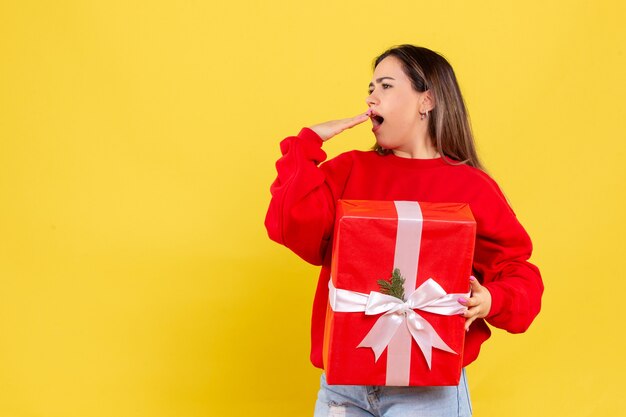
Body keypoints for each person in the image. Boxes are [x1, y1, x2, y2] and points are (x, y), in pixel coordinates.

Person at [265, 45, 543, 417]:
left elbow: (519, 271)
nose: (371, 96)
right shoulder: (350, 171)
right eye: (370, 87)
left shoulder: (472, 187)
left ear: (425, 100)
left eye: (385, 85)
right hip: (344, 388)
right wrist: (306, 144)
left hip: (429, 389)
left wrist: (493, 300)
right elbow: (288, 224)